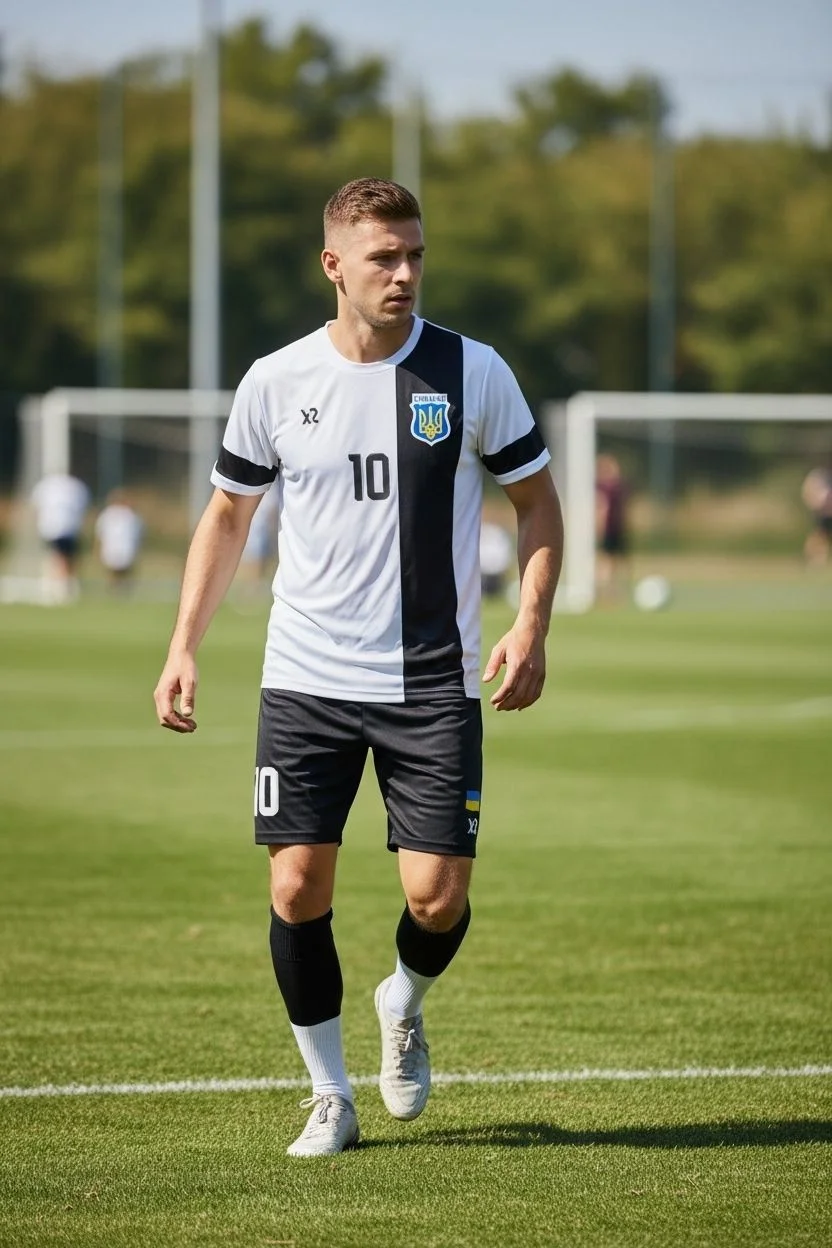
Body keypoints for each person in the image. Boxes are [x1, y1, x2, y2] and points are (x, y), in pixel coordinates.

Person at [153, 178, 563, 1157]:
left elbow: (538, 503)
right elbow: (227, 517)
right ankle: (329, 1094)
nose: (405, 273)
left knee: (437, 899)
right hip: (306, 679)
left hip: (432, 681)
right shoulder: (275, 381)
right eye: (385, 257)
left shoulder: (472, 372)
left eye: (415, 254)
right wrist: (183, 644)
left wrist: (531, 623)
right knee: (296, 887)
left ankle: (403, 998)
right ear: (333, 264)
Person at [31, 471, 91, 602]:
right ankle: (60, 587)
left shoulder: (75, 486)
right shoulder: (49, 486)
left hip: (67, 529)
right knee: (59, 558)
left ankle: (64, 586)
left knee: (66, 558)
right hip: (54, 529)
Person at [594, 452, 630, 602]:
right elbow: (602, 508)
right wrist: (600, 527)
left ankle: (614, 590)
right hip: (608, 530)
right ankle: (603, 591)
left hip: (617, 529)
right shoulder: (603, 487)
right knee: (606, 561)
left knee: (617, 561)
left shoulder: (617, 487)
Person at [94, 489, 145, 592]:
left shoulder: (126, 514)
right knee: (117, 570)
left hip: (120, 547)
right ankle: (118, 589)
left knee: (121, 570)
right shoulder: (114, 514)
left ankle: (120, 589)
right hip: (118, 547)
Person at [801, 464, 832, 566]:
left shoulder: (826, 476)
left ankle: (819, 558)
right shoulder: (817, 476)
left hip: (827, 510)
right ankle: (813, 557)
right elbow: (808, 493)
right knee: (819, 534)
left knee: (823, 534)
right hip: (820, 510)